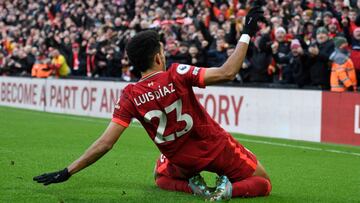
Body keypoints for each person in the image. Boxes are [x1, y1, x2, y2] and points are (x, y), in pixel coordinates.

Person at [33, 7, 271, 201]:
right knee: (262, 182)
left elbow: (105, 144)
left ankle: (194, 188)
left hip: (181, 160)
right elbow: (227, 72)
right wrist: (247, 32)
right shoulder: (177, 73)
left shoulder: (130, 94)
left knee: (160, 176)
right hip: (215, 148)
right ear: (158, 57)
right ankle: (227, 190)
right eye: (162, 51)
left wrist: (68, 171)